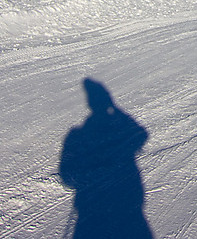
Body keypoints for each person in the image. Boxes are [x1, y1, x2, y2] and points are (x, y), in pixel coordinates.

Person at [59, 79, 152, 238]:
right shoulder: (112, 126)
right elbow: (141, 135)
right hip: (125, 206)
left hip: (91, 210)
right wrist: (116, 110)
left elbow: (67, 175)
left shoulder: (77, 136)